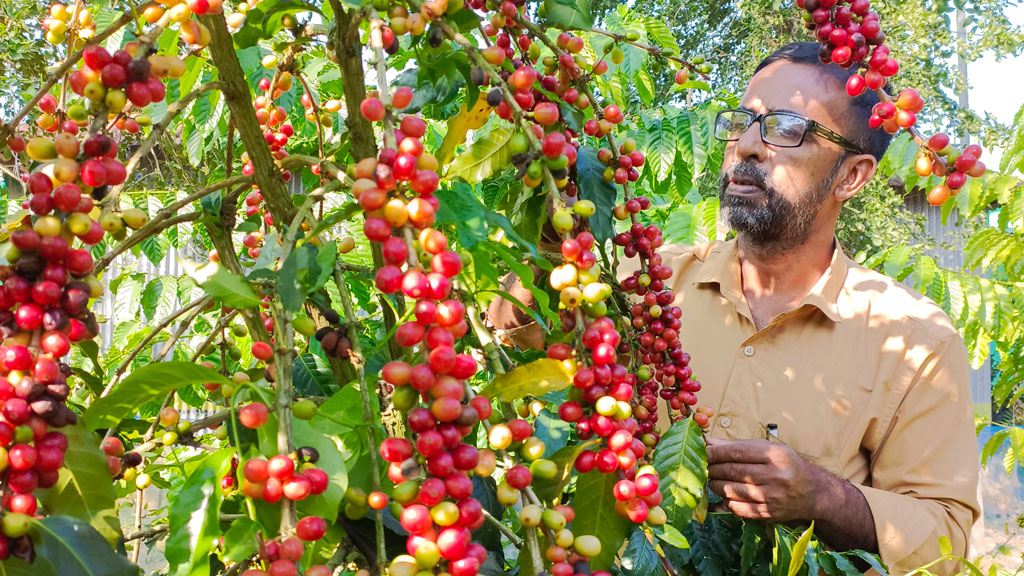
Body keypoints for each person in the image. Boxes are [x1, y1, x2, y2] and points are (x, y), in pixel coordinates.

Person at [487, 42, 980, 575]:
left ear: (851, 175)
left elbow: (945, 539)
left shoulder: (913, 339)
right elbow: (509, 323)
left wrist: (821, 497)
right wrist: (554, 212)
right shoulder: (643, 282)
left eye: (786, 128)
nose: (746, 146)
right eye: (744, 121)